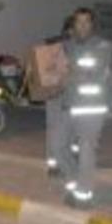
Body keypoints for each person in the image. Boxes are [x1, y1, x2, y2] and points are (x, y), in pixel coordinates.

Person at [60, 7, 112, 209]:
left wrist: (67, 70)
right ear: (73, 25)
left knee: (86, 149)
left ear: (92, 25)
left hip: (92, 107)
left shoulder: (102, 46)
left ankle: (83, 194)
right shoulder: (68, 45)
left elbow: (94, 71)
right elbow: (53, 68)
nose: (82, 25)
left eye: (86, 22)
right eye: (78, 22)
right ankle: (75, 182)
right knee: (59, 148)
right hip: (70, 105)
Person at [44, 15, 74, 178]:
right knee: (64, 130)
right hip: (62, 93)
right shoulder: (68, 47)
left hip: (52, 92)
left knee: (54, 129)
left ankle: (53, 163)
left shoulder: (52, 45)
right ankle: (59, 163)